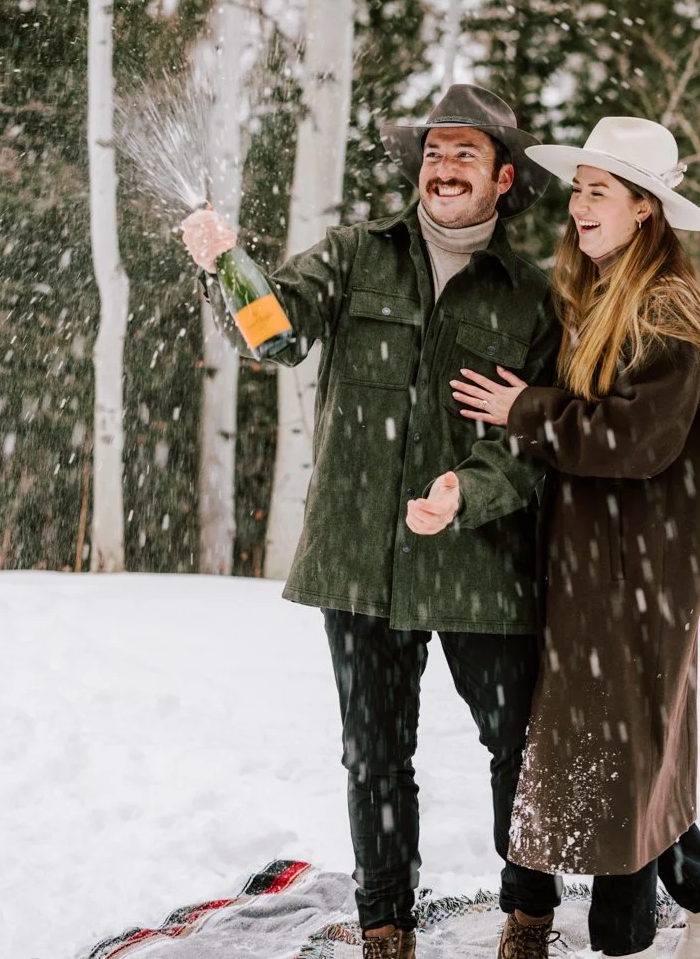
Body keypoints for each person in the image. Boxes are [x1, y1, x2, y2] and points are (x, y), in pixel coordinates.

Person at [181, 86, 565, 959]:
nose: (444, 167)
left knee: (519, 748)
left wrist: (467, 491)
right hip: (360, 556)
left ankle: (528, 920)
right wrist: (228, 266)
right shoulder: (357, 256)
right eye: (433, 152)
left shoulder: (534, 297)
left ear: (503, 177)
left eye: (465, 153)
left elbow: (537, 441)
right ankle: (386, 930)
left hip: (482, 559)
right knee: (375, 757)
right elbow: (275, 335)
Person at [443, 117, 700, 959]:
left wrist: (526, 410)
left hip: (636, 575)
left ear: (644, 208)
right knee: (623, 751)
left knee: (624, 752)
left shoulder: (667, 312)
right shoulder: (609, 293)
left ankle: (638, 934)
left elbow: (633, 439)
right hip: (602, 567)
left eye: (599, 192)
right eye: (578, 190)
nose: (578, 206)